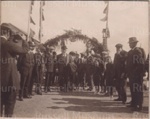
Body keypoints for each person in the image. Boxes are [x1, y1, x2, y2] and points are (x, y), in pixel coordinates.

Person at [1, 33, 29, 117]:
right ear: (6, 32)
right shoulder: (8, 44)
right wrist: (24, 39)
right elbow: (25, 50)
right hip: (9, 81)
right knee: (9, 106)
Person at [126, 37, 145, 111]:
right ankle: (134, 103)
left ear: (134, 43)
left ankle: (139, 105)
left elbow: (140, 64)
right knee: (132, 89)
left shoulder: (137, 51)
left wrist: (136, 73)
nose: (129, 45)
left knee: (138, 90)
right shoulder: (130, 52)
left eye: (130, 43)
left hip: (137, 75)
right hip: (131, 75)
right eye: (129, 43)